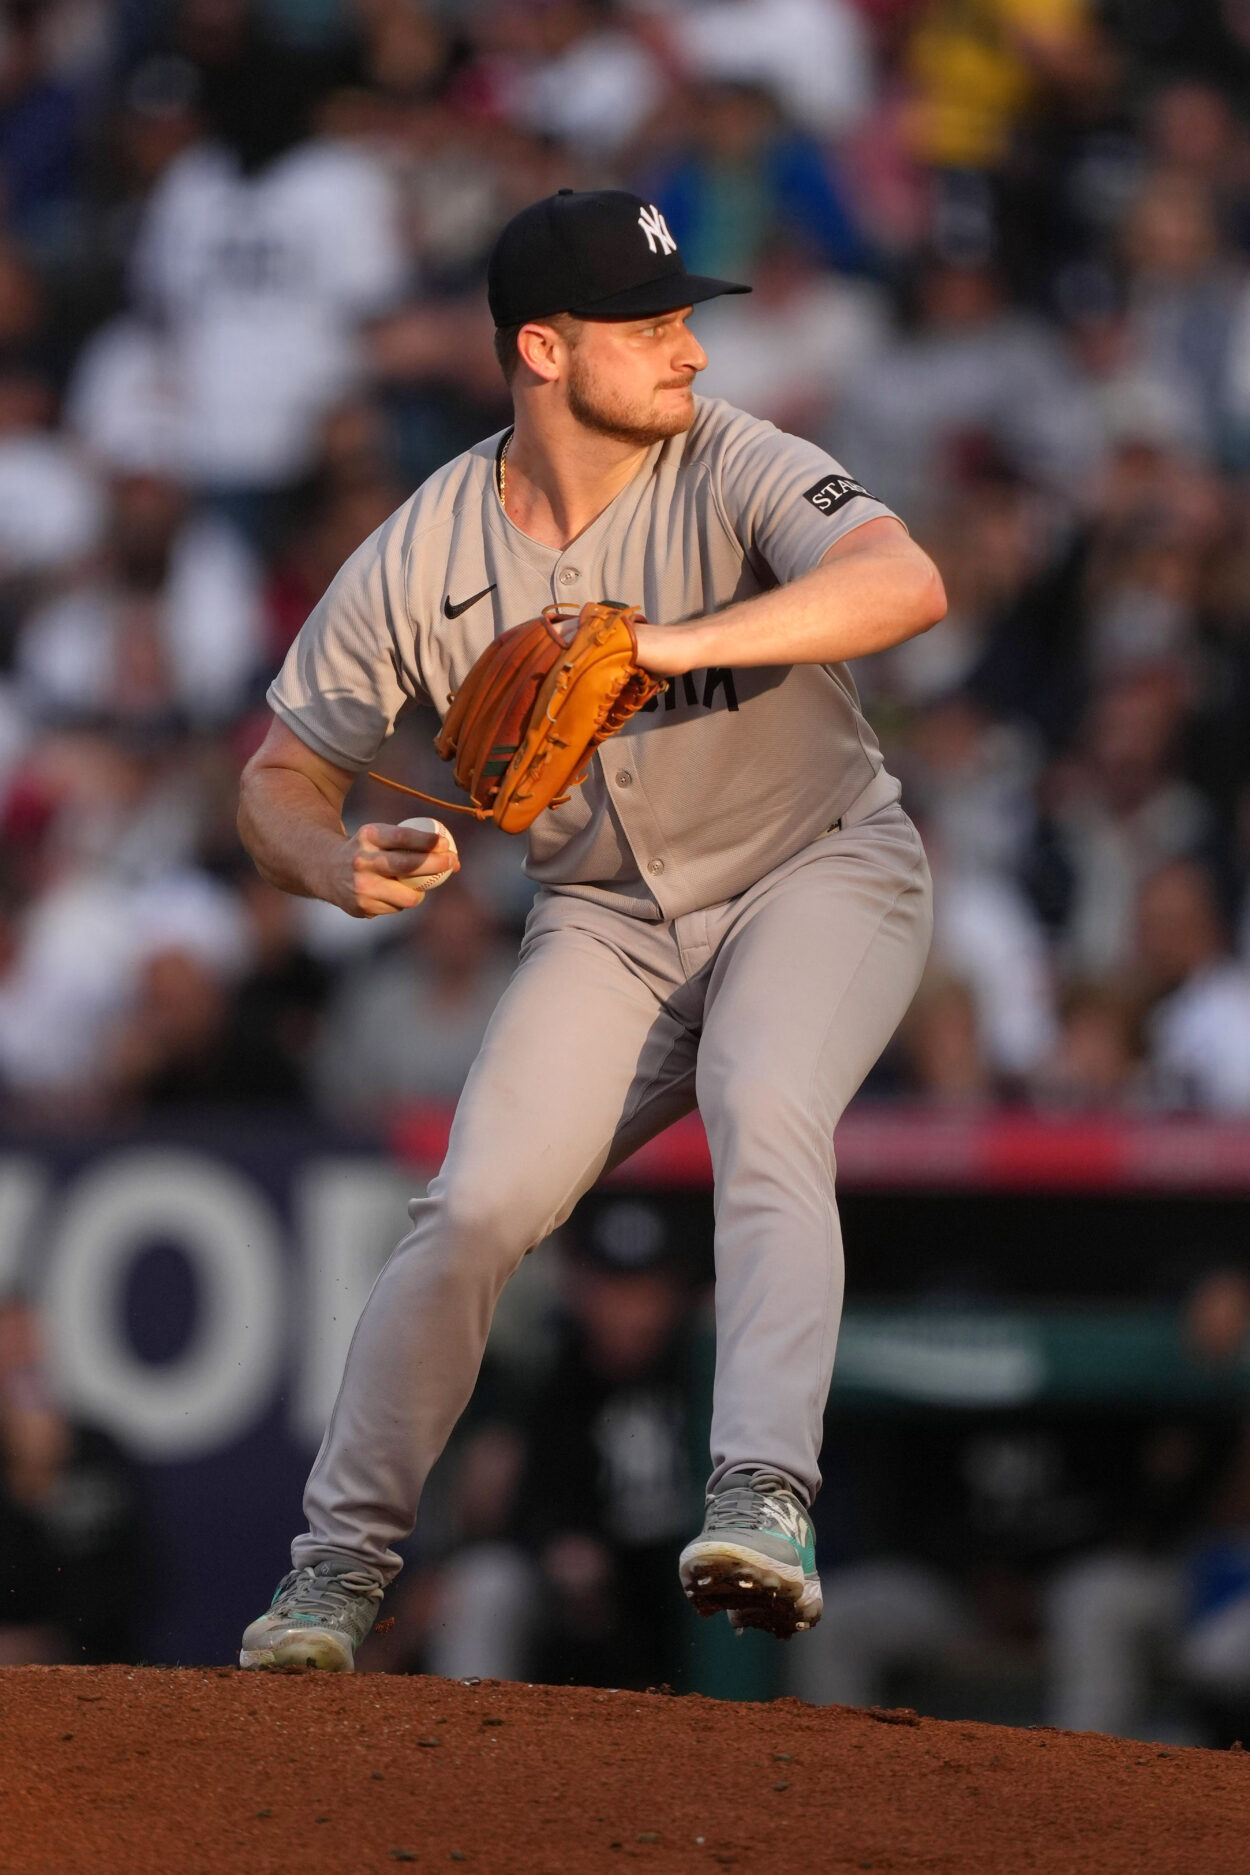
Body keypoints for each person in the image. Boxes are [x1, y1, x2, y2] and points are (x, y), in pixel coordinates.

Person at [235, 187, 944, 1670]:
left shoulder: (731, 456)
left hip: (816, 864)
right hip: (609, 917)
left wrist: (660, 648)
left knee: (763, 1102)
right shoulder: (424, 552)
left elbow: (901, 581)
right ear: (545, 351)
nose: (687, 349)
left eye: (686, 317)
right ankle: (336, 1572)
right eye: (651, 324)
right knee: (477, 1207)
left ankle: (760, 1489)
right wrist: (329, 859)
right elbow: (277, 777)